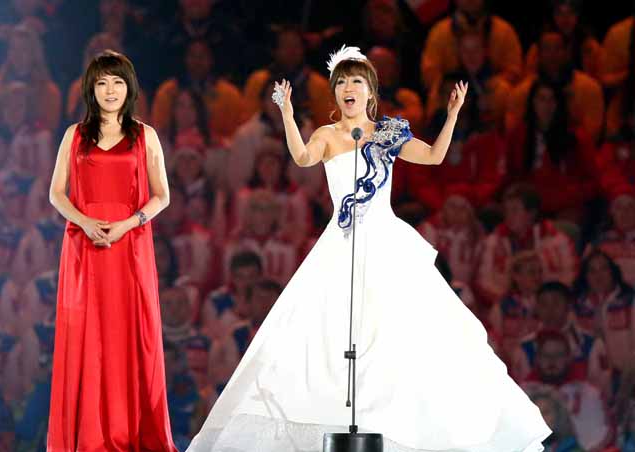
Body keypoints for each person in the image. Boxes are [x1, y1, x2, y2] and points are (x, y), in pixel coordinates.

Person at [186, 46, 550, 451]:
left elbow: (433, 157)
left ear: (370, 91)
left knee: (395, 336)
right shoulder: (326, 135)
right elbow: (303, 158)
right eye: (340, 81)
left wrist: (451, 115)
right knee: (326, 336)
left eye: (356, 80)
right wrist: (288, 114)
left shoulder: (389, 133)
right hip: (340, 247)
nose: (347, 88)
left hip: (385, 243)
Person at [46, 50, 178, 452]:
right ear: (91, 88)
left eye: (117, 82)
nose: (110, 90)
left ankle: (129, 432)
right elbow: (55, 193)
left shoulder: (145, 135)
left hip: (130, 247)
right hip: (84, 247)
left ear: (129, 88)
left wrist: (127, 225)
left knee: (128, 335)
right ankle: (86, 437)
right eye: (102, 82)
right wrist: (85, 222)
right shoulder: (74, 135)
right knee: (87, 337)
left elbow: (162, 196)